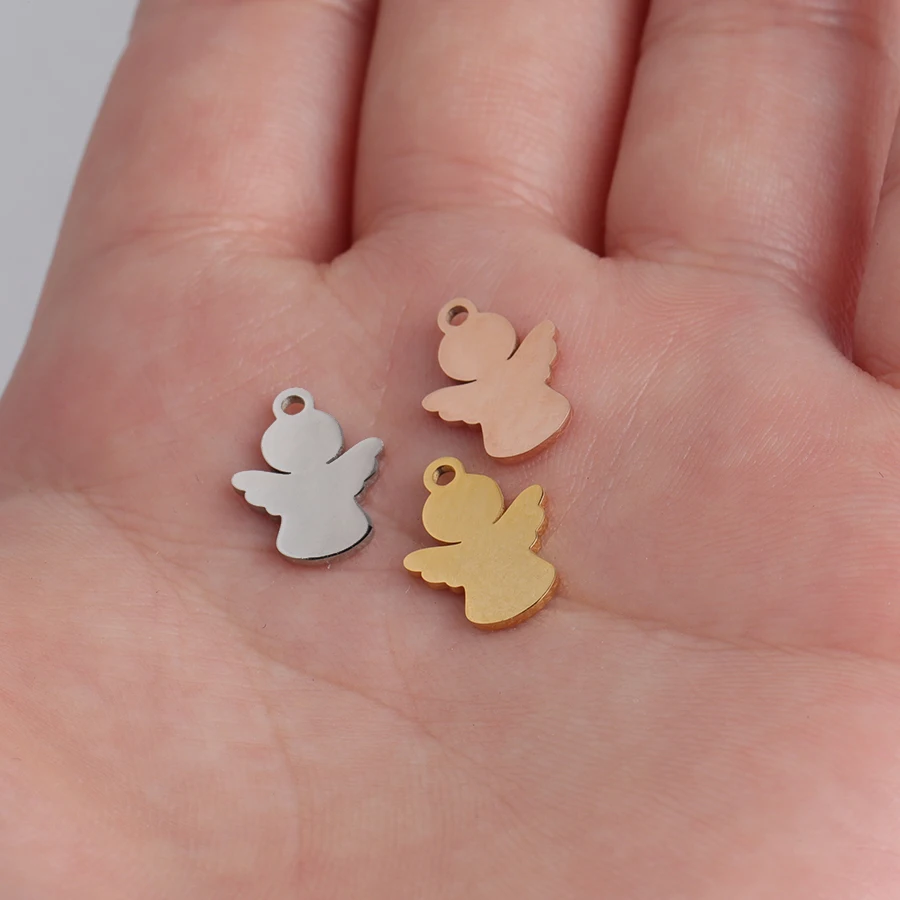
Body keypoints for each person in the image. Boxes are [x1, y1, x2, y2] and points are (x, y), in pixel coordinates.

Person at [1, 0, 899, 896]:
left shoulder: (456, 456)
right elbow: (429, 502)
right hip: (451, 511)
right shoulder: (421, 480)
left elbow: (461, 480)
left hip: (499, 477)